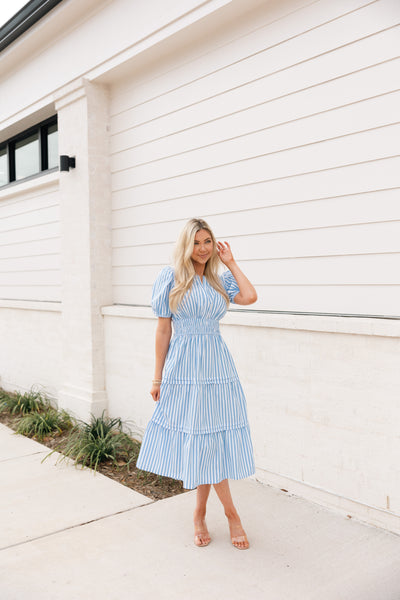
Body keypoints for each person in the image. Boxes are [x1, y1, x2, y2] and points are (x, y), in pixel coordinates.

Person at [136, 217, 258, 550]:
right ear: (185, 245)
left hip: (217, 367)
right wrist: (157, 376)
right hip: (185, 368)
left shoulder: (220, 280)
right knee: (203, 440)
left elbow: (250, 296)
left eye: (207, 242)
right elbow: (163, 330)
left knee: (211, 440)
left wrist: (231, 261)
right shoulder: (171, 277)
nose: (202, 248)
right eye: (196, 242)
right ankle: (232, 515)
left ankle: (200, 512)